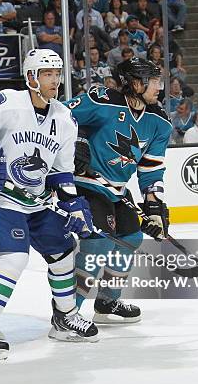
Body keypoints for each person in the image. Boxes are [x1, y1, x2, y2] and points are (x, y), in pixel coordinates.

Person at [0, 49, 98, 355]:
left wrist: (71, 204)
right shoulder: (7, 102)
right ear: (32, 76)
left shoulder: (64, 118)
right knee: (14, 259)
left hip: (38, 201)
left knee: (63, 254)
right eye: (47, 74)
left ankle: (65, 316)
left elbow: (61, 171)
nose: (55, 80)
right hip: (1, 199)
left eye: (57, 74)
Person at [64, 57, 172, 323]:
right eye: (154, 81)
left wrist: (154, 204)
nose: (160, 86)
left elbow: (150, 166)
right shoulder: (103, 100)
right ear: (136, 83)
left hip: (117, 189)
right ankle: (67, 312)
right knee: (97, 244)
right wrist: (78, 141)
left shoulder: (160, 121)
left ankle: (107, 301)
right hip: (85, 182)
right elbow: (59, 115)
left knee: (131, 238)